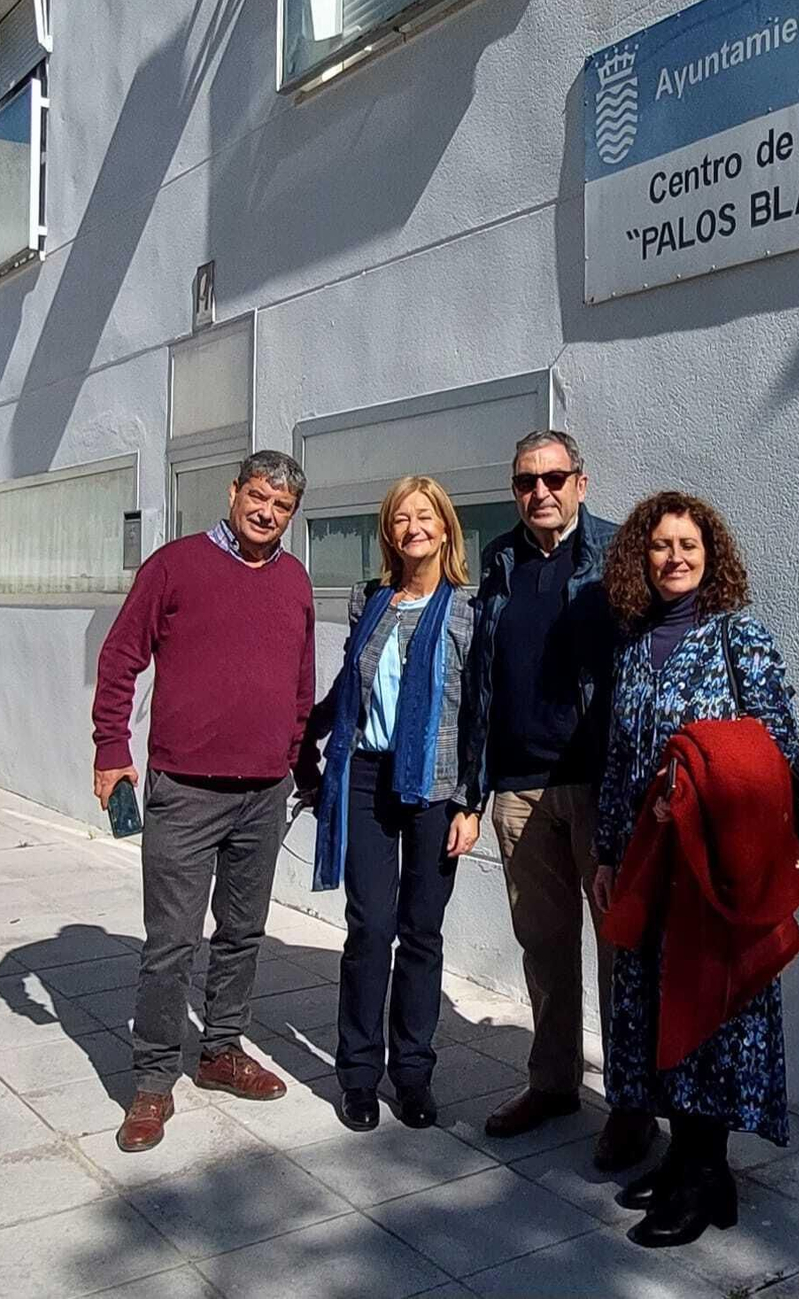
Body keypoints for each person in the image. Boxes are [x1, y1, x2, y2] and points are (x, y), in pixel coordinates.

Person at [592, 490, 799, 1247]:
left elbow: (775, 750)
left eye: (688, 544)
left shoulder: (739, 638)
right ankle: (689, 1158)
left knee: (710, 1013)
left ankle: (705, 1170)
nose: (674, 557)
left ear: (710, 554)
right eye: (660, 546)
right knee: (657, 1012)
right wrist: (610, 853)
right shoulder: (633, 645)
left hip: (713, 870)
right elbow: (619, 763)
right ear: (639, 559)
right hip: (651, 867)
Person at [91, 451, 315, 1153]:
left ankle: (220, 1050)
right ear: (234, 493)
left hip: (263, 791)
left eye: (281, 506)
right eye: (257, 496)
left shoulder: (296, 580)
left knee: (243, 932)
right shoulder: (176, 565)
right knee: (171, 943)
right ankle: (154, 1080)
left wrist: (294, 760)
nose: (266, 512)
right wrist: (109, 748)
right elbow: (121, 656)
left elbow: (302, 685)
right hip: (185, 791)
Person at [463, 430, 656, 1171]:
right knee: (543, 945)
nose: (538, 492)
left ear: (581, 480)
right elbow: (482, 675)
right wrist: (473, 785)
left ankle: (632, 1103)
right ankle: (552, 1082)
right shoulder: (501, 559)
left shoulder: (617, 555)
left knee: (620, 949)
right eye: (524, 481)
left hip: (601, 787)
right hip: (519, 786)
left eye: (552, 478)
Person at [302, 476, 481, 1133]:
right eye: (400, 518)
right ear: (389, 533)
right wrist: (306, 736)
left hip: (436, 784)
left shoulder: (469, 607)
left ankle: (413, 1074)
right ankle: (357, 1074)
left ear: (444, 526)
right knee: (370, 927)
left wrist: (471, 800)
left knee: (421, 933)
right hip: (367, 775)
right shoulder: (367, 600)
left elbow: (479, 711)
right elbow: (348, 690)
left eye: (424, 515)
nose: (413, 527)